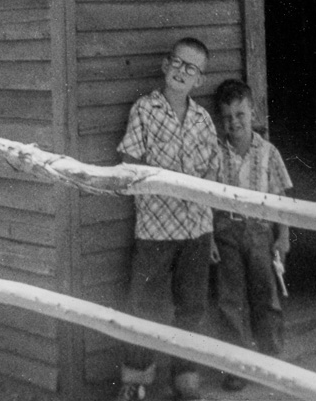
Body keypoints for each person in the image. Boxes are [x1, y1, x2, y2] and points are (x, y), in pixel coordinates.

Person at [116, 37, 220, 401]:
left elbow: (213, 174)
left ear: (199, 81)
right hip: (155, 227)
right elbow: (131, 162)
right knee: (143, 303)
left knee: (192, 305)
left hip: (196, 228)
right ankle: (136, 381)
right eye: (177, 62)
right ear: (165, 65)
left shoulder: (203, 119)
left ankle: (185, 378)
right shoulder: (144, 110)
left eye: (191, 68)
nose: (181, 71)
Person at [211, 79, 292, 393]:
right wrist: (212, 239)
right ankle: (238, 366)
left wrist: (283, 237)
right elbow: (206, 196)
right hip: (227, 231)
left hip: (260, 231)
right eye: (228, 117)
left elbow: (282, 200)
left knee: (265, 295)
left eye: (240, 114)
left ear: (252, 111)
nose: (234, 123)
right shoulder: (216, 152)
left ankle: (271, 360)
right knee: (231, 300)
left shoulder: (268, 153)